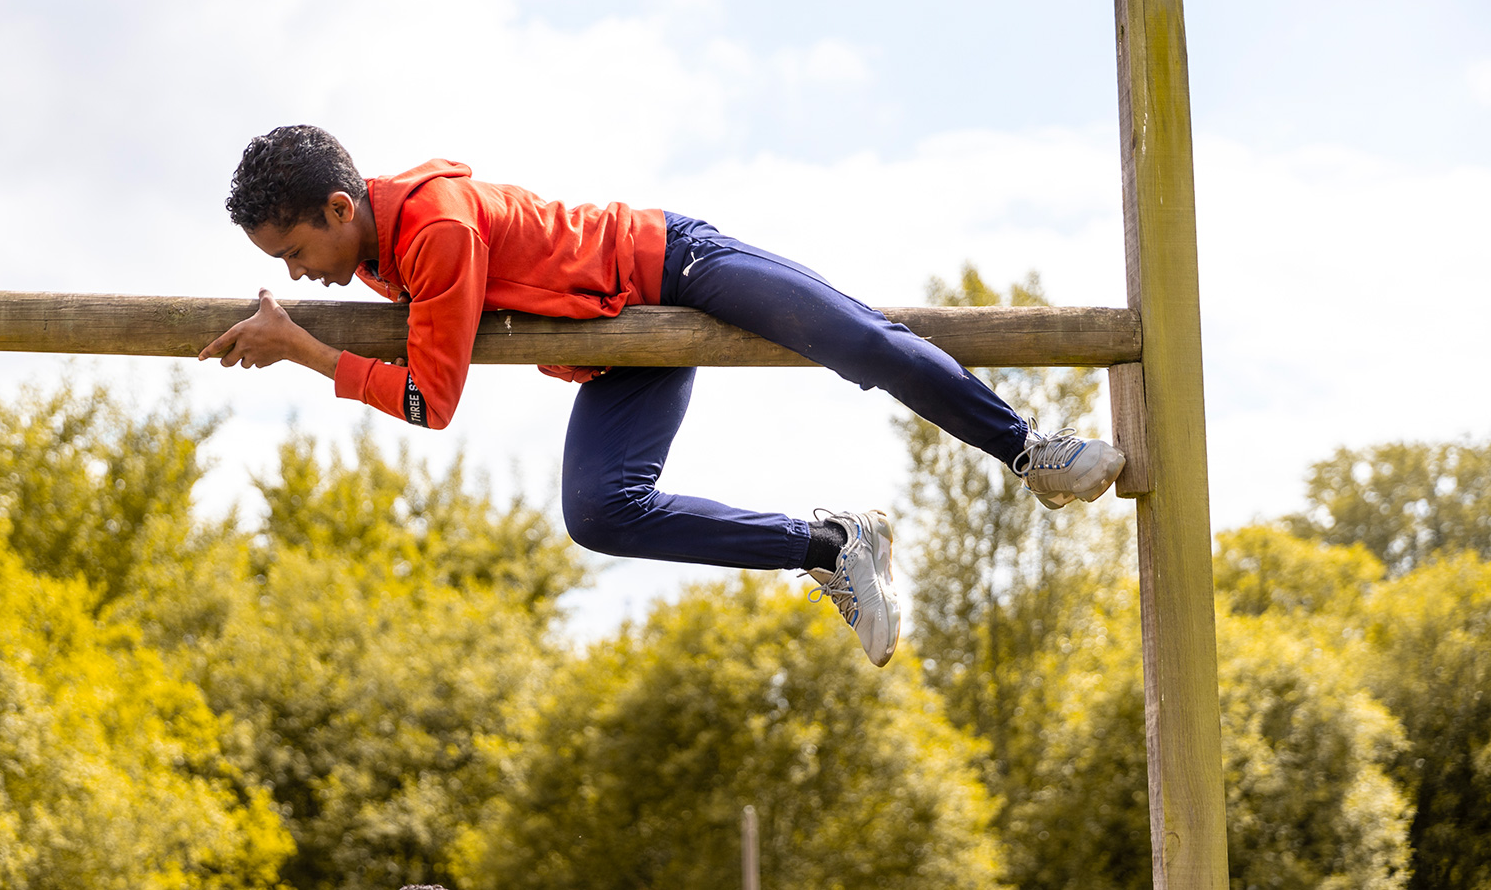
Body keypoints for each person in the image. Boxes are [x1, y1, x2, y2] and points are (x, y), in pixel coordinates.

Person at [200, 125, 1125, 667]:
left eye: (294, 254)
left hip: (673, 263)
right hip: (616, 350)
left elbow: (428, 404)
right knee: (600, 511)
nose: (298, 272)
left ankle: (1027, 450)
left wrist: (301, 350)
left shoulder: (432, 232)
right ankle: (832, 545)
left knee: (857, 340)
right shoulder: (384, 243)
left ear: (337, 207)